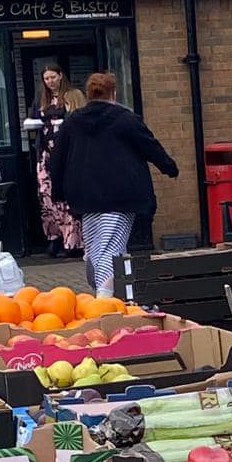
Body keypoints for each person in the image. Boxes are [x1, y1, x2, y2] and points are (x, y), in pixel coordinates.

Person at [50, 71, 178, 296]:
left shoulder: (73, 122)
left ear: (89, 94)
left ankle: (113, 293)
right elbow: (149, 146)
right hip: (121, 193)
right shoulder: (125, 118)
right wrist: (169, 167)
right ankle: (105, 297)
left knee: (96, 246)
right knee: (112, 246)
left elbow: (57, 158)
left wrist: (58, 191)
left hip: (85, 195)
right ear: (113, 93)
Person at [27, 64, 85, 258]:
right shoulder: (41, 98)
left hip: (66, 153)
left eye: (53, 77)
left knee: (67, 197)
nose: (50, 81)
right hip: (46, 153)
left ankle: (73, 241)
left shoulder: (73, 95)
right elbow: (33, 120)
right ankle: (54, 238)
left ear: (61, 76)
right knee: (46, 196)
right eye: (46, 79)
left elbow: (80, 120)